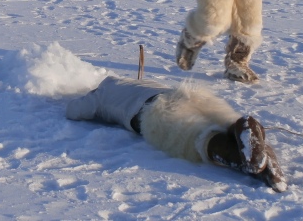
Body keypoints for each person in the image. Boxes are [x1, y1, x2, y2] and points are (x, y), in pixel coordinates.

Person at [66, 76, 287, 192]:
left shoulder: (101, 92)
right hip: (185, 93)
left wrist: (86, 96)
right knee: (227, 123)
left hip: (156, 111)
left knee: (198, 139)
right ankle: (248, 132)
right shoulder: (138, 81)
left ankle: (243, 161)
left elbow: (74, 111)